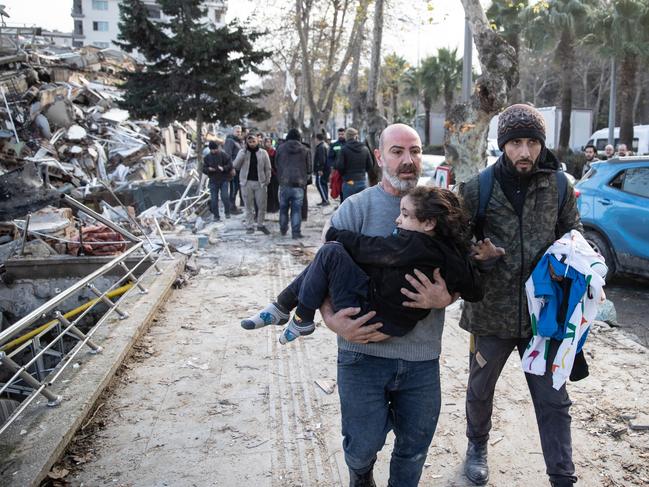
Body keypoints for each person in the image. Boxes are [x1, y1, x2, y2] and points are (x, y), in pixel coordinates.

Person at [310, 123, 458, 487]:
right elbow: (321, 268)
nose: (408, 160)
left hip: (422, 358)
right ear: (379, 157)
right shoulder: (356, 208)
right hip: (362, 355)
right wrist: (333, 321)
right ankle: (361, 475)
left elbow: (463, 271)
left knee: (414, 448)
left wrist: (447, 297)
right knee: (362, 446)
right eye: (397, 152)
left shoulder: (442, 210)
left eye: (415, 151)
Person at [458, 104, 583, 487]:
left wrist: (575, 271)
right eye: (515, 143)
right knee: (480, 391)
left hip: (543, 317)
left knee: (553, 399)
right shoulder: (477, 188)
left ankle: (562, 474)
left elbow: (574, 237)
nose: (524, 152)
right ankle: (477, 448)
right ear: (503, 145)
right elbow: (456, 245)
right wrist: (479, 257)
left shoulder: (559, 185)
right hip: (490, 314)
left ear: (541, 144)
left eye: (531, 142)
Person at [241, 186, 484, 346]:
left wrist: (334, 233)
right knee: (328, 259)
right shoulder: (451, 251)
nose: (397, 219)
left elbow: (369, 247)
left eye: (406, 215)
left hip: (366, 313)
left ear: (429, 223)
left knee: (330, 252)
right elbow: (475, 289)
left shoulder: (411, 243)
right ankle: (282, 307)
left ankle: (302, 316)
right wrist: (485, 262)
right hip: (389, 319)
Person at [233, 134, 272, 235]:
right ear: (247, 143)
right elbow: (235, 165)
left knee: (262, 205)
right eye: (249, 142)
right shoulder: (242, 152)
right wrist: (243, 153)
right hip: (246, 182)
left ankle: (260, 224)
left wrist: (267, 180)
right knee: (248, 206)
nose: (252, 144)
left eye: (253, 141)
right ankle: (250, 226)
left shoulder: (263, 153)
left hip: (260, 183)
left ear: (257, 141)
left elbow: (268, 168)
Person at [275, 128, 311, 239]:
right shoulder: (305, 150)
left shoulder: (280, 148)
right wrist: (305, 179)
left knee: (283, 207)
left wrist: (281, 176)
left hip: (284, 182)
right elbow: (309, 168)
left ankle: (283, 228)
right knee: (296, 210)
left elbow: (276, 163)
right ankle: (296, 233)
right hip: (299, 184)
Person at [335, 127, 373, 201]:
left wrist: (344, 175)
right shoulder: (364, 149)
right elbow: (370, 166)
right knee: (362, 207)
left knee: (348, 207)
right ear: (356, 136)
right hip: (362, 181)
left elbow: (339, 166)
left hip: (349, 181)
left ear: (346, 137)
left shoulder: (344, 149)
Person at [202, 141, 232, 221]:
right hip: (213, 180)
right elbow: (204, 169)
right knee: (214, 199)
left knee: (225, 197)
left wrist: (224, 168)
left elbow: (230, 165)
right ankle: (216, 216)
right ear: (210, 149)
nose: (214, 151)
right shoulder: (207, 158)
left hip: (223, 179)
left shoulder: (223, 155)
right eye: (212, 149)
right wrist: (208, 169)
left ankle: (227, 212)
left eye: (215, 149)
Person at [223, 125, 243, 214]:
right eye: (237, 131)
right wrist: (231, 168)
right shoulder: (230, 141)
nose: (239, 133)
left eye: (240, 131)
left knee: (236, 188)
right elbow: (228, 156)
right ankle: (231, 208)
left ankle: (234, 206)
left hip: (239, 169)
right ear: (233, 131)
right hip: (233, 169)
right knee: (233, 188)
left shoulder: (238, 141)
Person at [263, 137, 280, 213]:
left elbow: (277, 163)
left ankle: (275, 206)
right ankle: (269, 207)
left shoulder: (274, 152)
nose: (268, 144)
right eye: (267, 142)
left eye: (269, 142)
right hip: (266, 174)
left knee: (274, 191)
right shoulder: (263, 152)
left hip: (274, 174)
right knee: (269, 191)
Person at [313, 133, 330, 206]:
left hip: (322, 170)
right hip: (326, 169)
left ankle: (325, 200)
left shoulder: (321, 147)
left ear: (317, 139)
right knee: (323, 184)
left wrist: (320, 169)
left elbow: (321, 159)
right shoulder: (325, 145)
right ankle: (325, 199)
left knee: (319, 183)